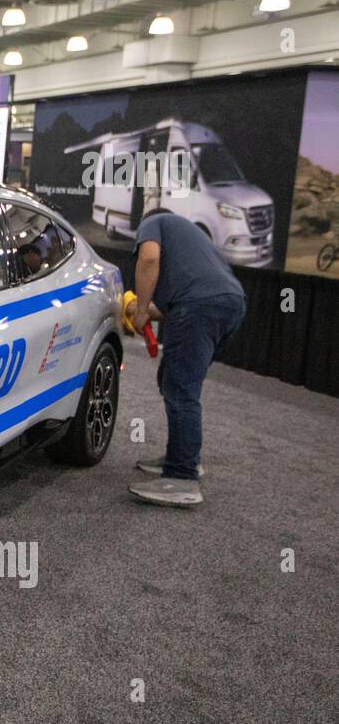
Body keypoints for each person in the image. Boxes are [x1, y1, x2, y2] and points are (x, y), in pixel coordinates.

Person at [128, 209, 247, 507]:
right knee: (175, 380)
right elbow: (176, 307)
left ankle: (182, 478)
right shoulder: (192, 240)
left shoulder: (155, 221)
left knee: (181, 389)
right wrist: (138, 311)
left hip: (199, 308)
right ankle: (182, 457)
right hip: (229, 304)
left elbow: (149, 259)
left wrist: (141, 310)